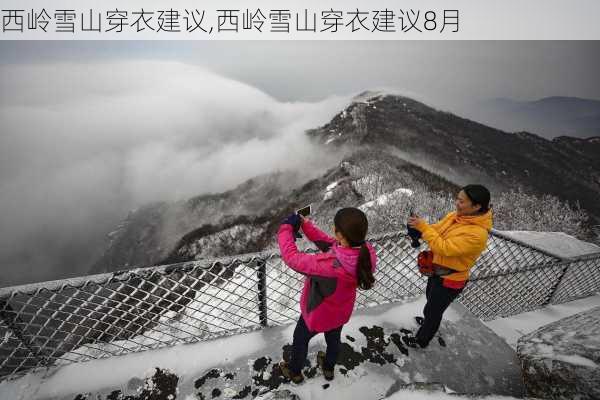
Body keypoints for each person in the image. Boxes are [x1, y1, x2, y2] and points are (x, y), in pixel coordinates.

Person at [277, 207, 377, 383]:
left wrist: (285, 228)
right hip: (340, 312)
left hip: (317, 315)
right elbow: (330, 244)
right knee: (334, 341)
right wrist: (306, 225)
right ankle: (329, 368)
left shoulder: (330, 266)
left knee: (300, 340)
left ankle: (295, 372)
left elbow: (292, 258)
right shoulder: (366, 253)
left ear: (338, 233)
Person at [405, 184, 493, 349]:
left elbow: (445, 248)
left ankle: (422, 340)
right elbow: (436, 231)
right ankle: (428, 323)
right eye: (457, 199)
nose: (456, 203)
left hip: (450, 280)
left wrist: (424, 228)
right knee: (431, 302)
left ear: (476, 206)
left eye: (461, 201)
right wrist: (419, 227)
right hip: (436, 272)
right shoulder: (456, 216)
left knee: (434, 311)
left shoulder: (477, 234)